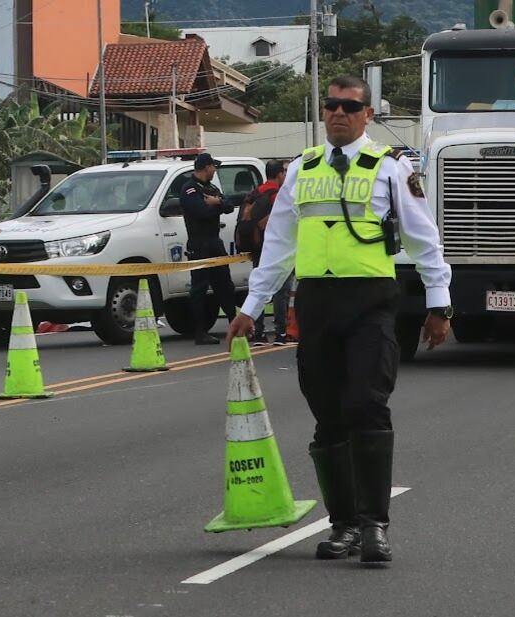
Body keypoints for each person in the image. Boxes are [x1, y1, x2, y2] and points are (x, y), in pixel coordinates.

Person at [227, 75, 452, 564]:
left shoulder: (390, 167)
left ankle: (374, 526)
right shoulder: (302, 168)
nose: (338, 113)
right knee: (328, 415)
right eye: (331, 105)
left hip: (370, 304)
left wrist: (439, 305)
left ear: (368, 114)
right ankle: (344, 524)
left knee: (366, 405)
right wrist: (250, 308)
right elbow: (279, 244)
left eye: (349, 107)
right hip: (317, 306)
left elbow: (423, 239)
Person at [181, 152, 239, 345]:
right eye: (213, 167)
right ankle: (200, 331)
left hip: (215, 242)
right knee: (199, 288)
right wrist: (217, 206)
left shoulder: (212, 188)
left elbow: (229, 206)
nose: (215, 170)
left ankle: (234, 324)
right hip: (199, 243)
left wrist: (217, 202)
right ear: (206, 167)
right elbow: (201, 212)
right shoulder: (190, 189)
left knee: (225, 285)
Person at [237, 159, 293, 346]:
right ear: (279, 174)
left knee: (258, 286)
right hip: (273, 246)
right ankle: (280, 332)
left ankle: (258, 332)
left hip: (255, 246)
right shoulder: (277, 194)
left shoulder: (255, 193)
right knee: (280, 291)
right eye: (284, 172)